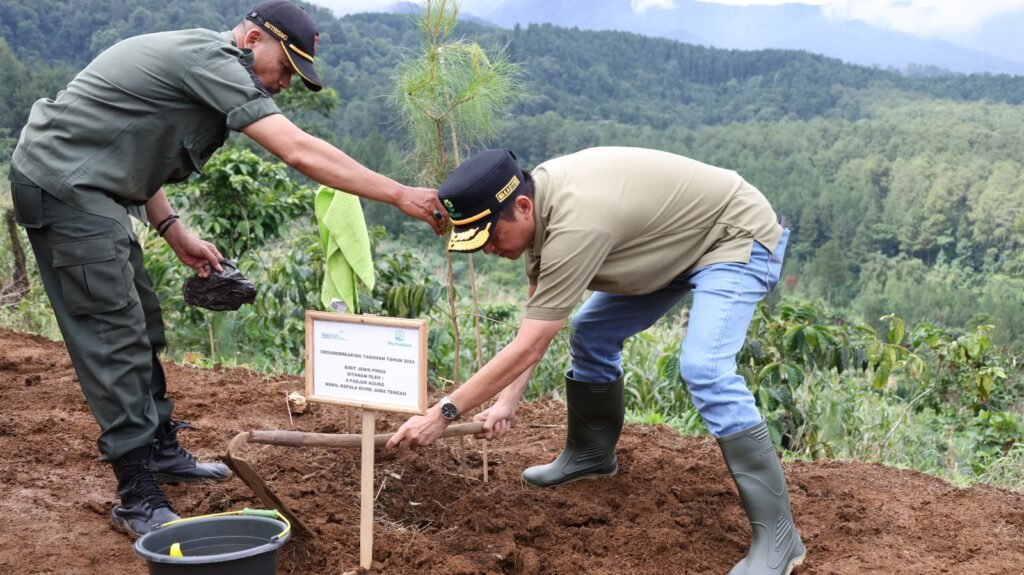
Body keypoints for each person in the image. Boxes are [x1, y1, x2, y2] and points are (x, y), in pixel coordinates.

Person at [7, 0, 449, 538]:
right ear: (252, 41)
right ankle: (135, 493)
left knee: (140, 320)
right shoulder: (213, 59)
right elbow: (298, 151)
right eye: (285, 68)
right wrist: (400, 194)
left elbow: (136, 146)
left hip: (96, 185)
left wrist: (173, 230)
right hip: (62, 185)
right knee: (112, 333)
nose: (284, 83)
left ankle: (162, 448)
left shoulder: (205, 62)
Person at [386, 147, 805, 574]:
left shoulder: (574, 223)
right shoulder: (534, 217)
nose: (490, 250)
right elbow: (538, 323)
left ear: (523, 207)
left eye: (491, 237)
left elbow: (530, 344)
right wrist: (507, 401)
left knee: (706, 369)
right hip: (671, 245)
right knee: (592, 331)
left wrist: (445, 414)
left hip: (733, 234)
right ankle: (591, 454)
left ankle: (779, 539)